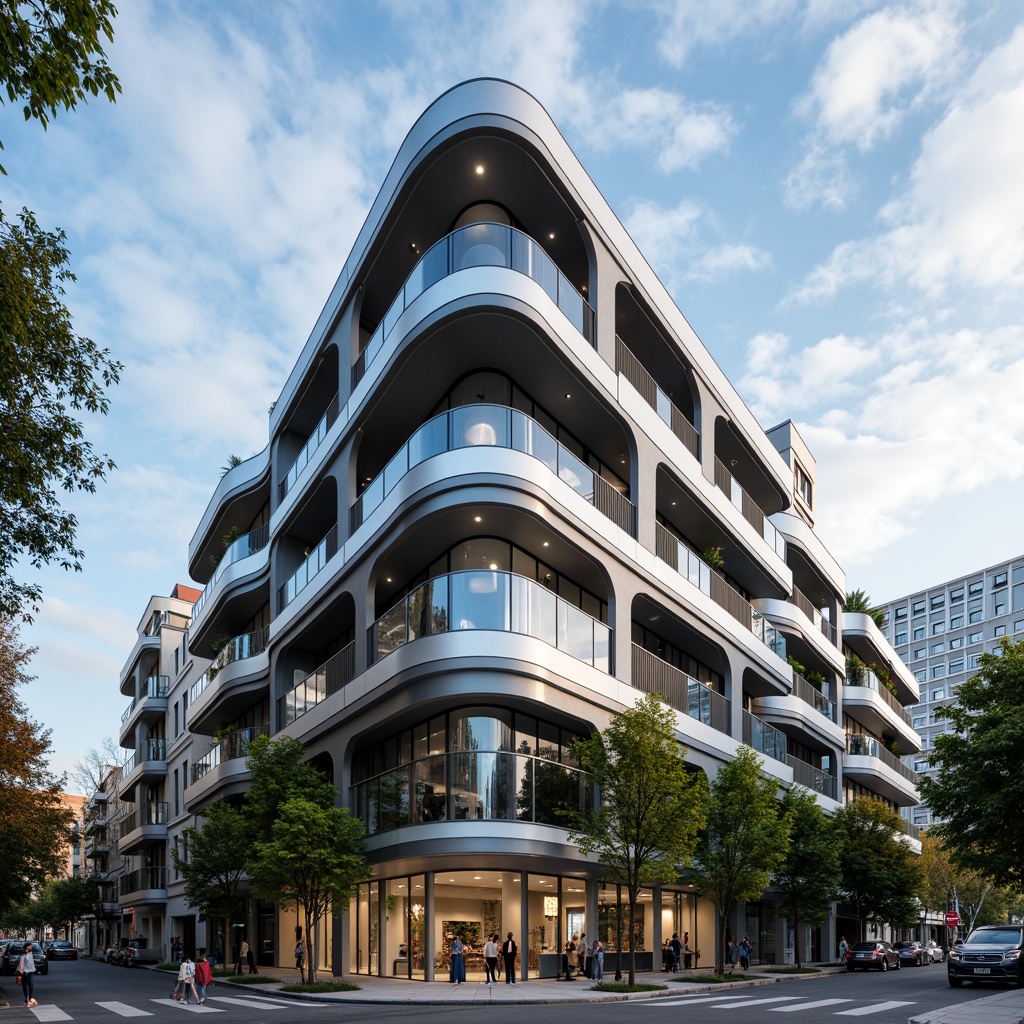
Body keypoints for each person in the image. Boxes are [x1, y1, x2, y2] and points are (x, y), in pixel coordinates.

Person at [18, 942, 38, 1007]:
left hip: (31, 971)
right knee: (24, 985)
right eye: (30, 946)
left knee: (31, 985)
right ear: (27, 947)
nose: (31, 947)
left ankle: (30, 998)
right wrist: (21, 970)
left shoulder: (31, 953)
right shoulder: (24, 955)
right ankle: (26, 997)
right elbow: (21, 963)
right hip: (25, 972)